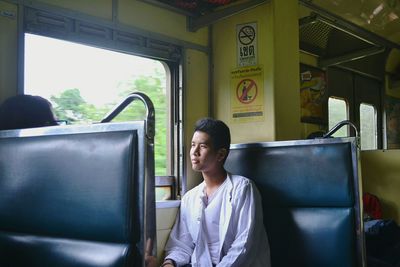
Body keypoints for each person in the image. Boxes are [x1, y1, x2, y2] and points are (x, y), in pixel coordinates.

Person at [162, 118, 270, 267]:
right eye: (193, 145)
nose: (194, 152)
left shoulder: (243, 188)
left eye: (203, 146)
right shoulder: (190, 198)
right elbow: (181, 243)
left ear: (220, 154)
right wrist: (170, 263)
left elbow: (245, 245)